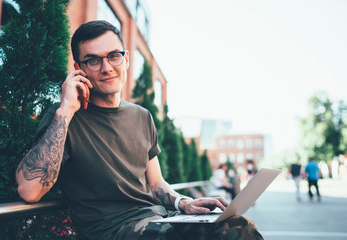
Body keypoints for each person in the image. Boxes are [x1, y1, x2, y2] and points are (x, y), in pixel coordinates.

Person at [15, 20, 263, 240]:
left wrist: (183, 202)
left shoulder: (142, 116)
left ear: (126, 59)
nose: (106, 67)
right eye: (93, 60)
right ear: (78, 68)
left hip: (160, 218)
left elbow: (156, 183)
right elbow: (30, 190)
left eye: (114, 55)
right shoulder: (63, 117)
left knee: (239, 227)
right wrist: (66, 111)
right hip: (113, 230)